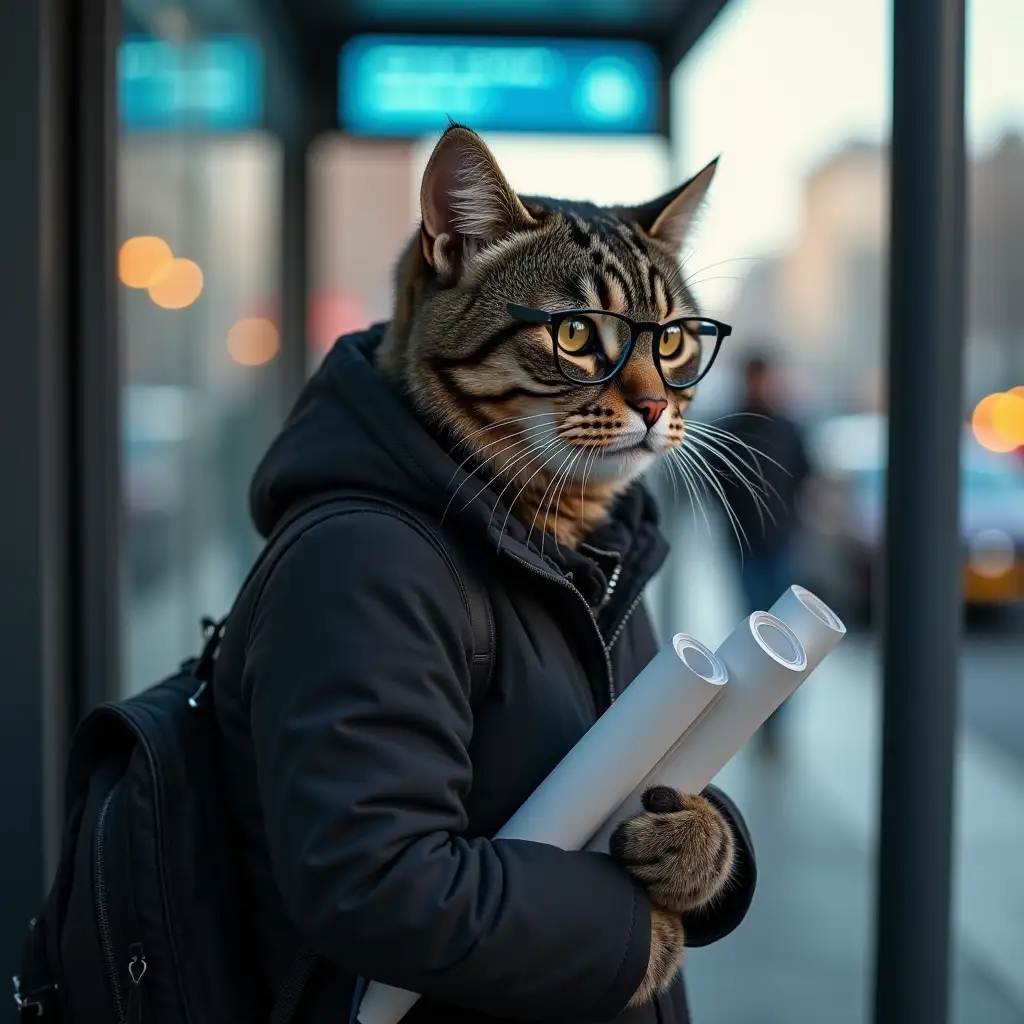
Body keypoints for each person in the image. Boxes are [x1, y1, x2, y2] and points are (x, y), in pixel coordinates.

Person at [211, 124, 756, 1023]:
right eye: (583, 336)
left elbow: (613, 780)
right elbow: (372, 884)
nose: (650, 397)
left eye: (673, 344)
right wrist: (626, 938)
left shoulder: (591, 545)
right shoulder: (366, 561)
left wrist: (708, 843)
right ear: (455, 255)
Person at [722, 350, 812, 755]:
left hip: (781, 547)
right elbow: (716, 487)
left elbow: (806, 477)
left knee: (786, 640)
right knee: (753, 638)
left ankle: (778, 723)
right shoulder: (732, 426)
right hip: (745, 549)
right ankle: (755, 720)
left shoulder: (789, 427)